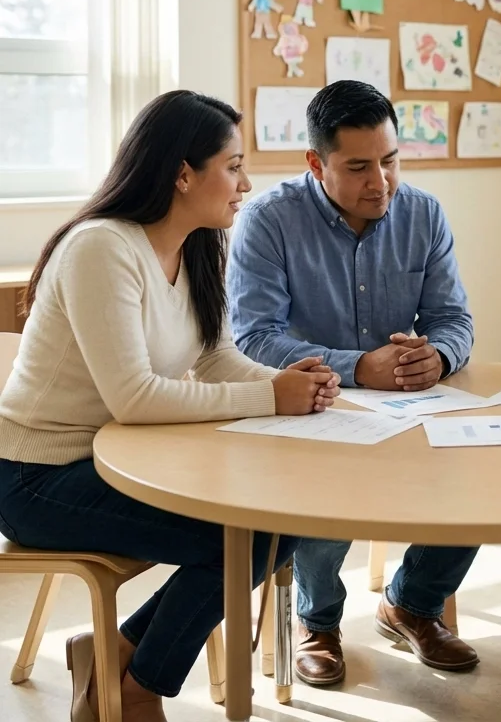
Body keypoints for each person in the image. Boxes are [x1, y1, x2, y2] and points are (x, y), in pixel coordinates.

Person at [0, 92, 340, 722]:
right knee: (239, 537)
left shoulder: (197, 245)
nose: (246, 184)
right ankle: (137, 688)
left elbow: (216, 358)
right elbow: (133, 397)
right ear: (183, 174)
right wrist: (270, 396)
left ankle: (117, 656)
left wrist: (290, 383)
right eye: (233, 167)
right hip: (37, 478)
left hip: (118, 461)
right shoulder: (100, 248)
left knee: (278, 522)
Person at [227, 80, 479, 686]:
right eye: (359, 167)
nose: (381, 182)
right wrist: (359, 367)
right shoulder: (268, 220)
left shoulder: (423, 214)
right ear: (317, 164)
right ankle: (317, 621)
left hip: (407, 406)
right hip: (310, 407)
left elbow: (454, 319)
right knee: (325, 484)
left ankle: (413, 603)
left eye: (390, 160)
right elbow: (253, 338)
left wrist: (438, 356)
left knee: (479, 473)